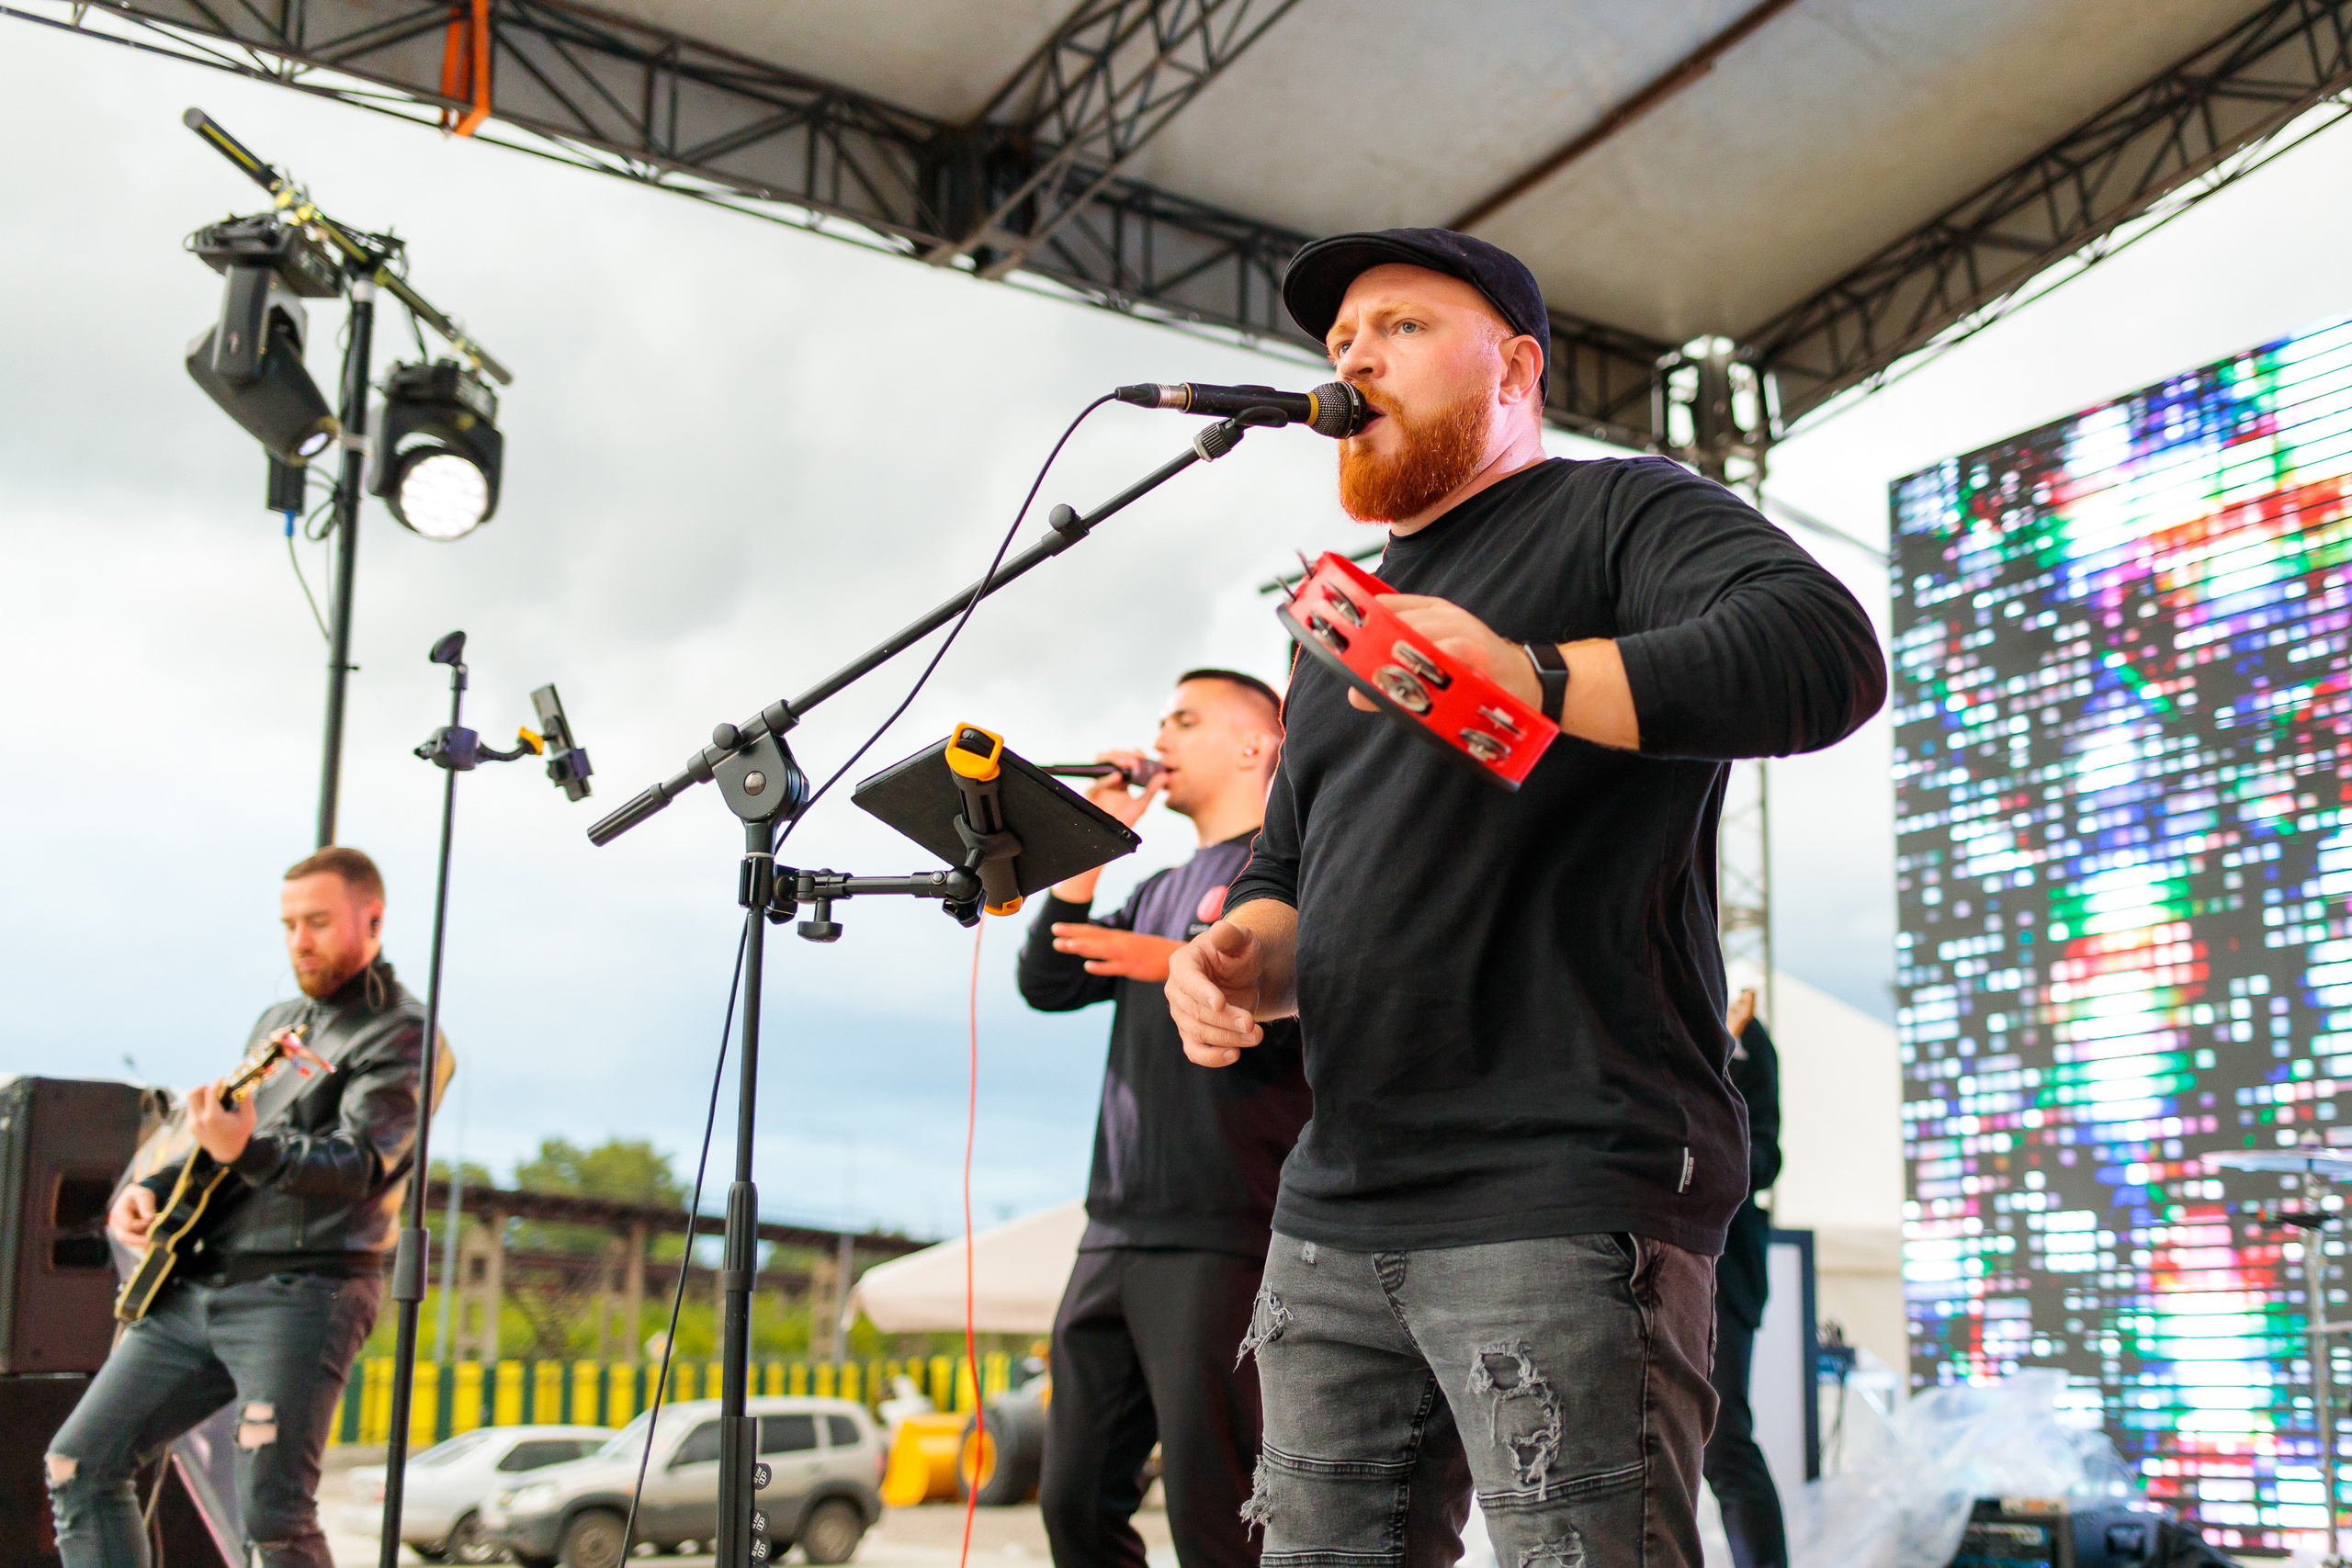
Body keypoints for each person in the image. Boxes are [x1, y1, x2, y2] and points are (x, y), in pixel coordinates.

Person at [1163, 228, 1886, 1567]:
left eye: (1399, 326)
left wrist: (1535, 675)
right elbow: (1288, 877)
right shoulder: (1338, 630)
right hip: (1336, 1203)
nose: (1354, 357)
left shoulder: (1622, 511)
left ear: (1518, 365)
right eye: (1337, 344)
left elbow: (1824, 650)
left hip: (1564, 1176)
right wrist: (1238, 955)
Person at [50, 847, 436, 1568]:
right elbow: (220, 1136)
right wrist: (152, 1191)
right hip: (200, 1286)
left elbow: (359, 1163)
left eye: (317, 921)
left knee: (273, 1518)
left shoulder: (403, 1034)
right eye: (288, 923)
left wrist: (244, 1150)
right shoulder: (281, 1020)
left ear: (373, 918)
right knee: (79, 1463)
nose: (299, 939)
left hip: (302, 1294)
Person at [1018, 671, 1312, 1568]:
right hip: (1114, 1228)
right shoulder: (1157, 886)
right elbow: (1050, 980)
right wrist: (1087, 848)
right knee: (1072, 1502)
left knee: (1216, 1513)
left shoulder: (1284, 870)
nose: (1162, 738)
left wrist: (1176, 962)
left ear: (1254, 747)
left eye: (1185, 720)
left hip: (1223, 1226)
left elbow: (1315, 1015)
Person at [1710, 987, 1786, 1568]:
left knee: (1724, 1441)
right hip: (1627, 1255)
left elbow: (1764, 1156)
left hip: (1721, 1269)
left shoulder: (1746, 1038)